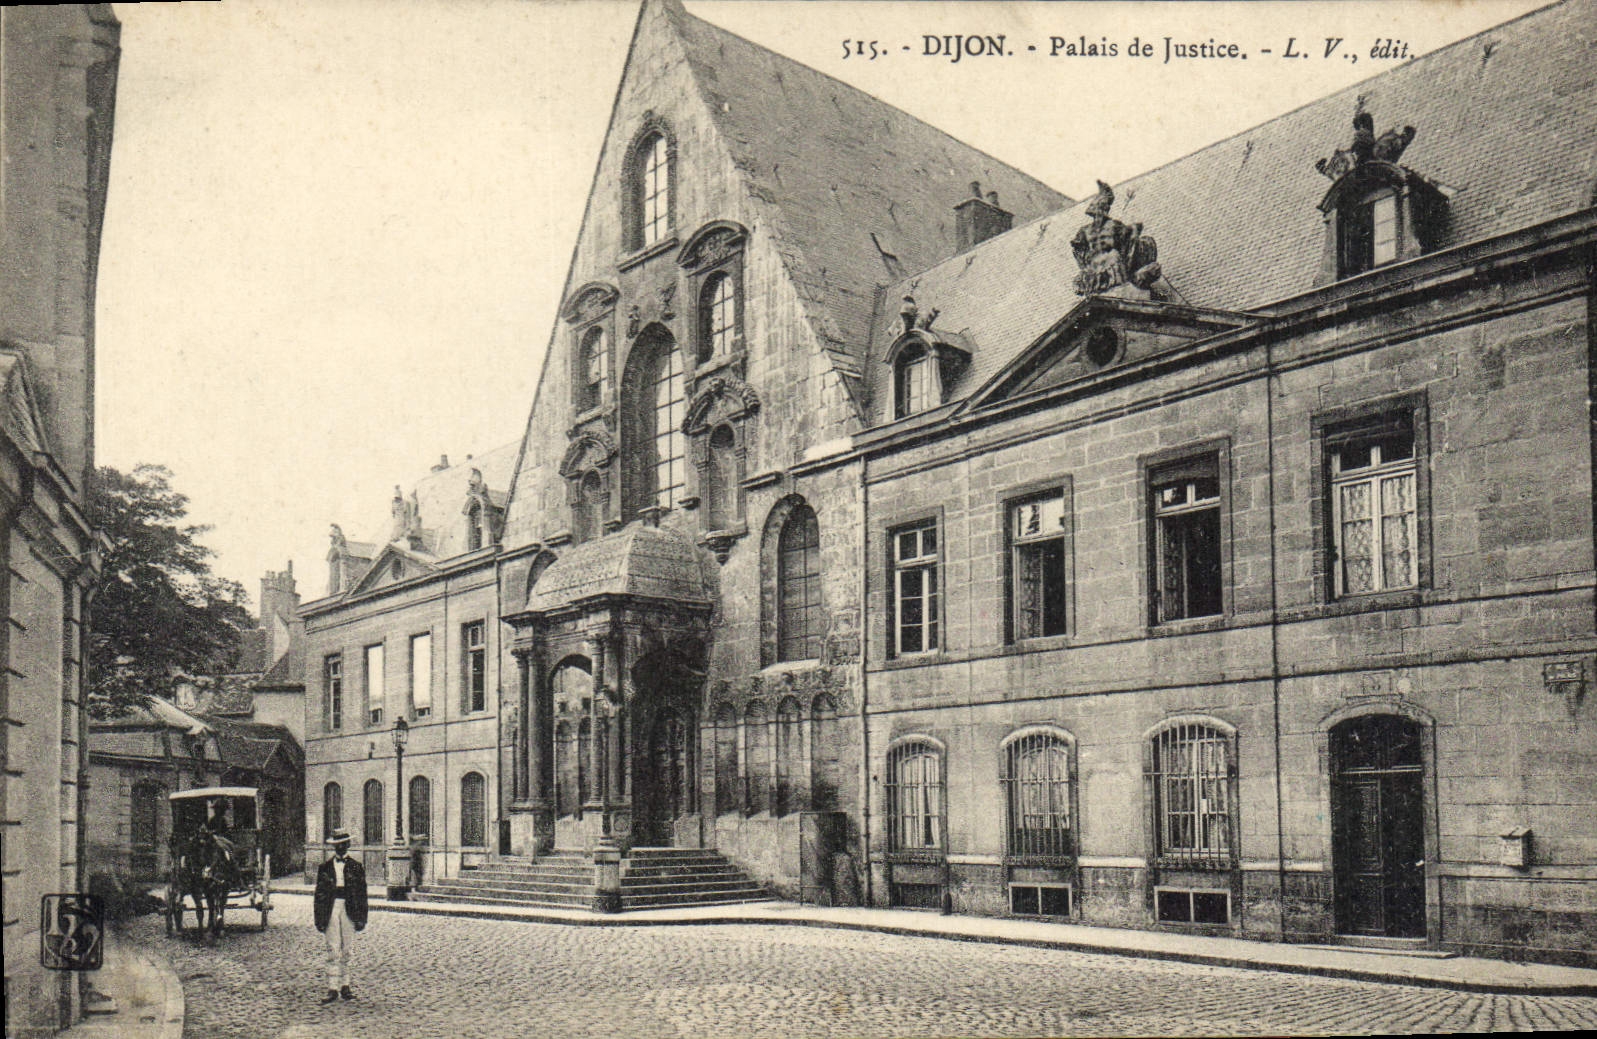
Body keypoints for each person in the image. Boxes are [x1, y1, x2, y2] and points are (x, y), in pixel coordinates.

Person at [312, 829, 368, 1004]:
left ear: (349, 845)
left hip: (349, 907)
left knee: (347, 949)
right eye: (337, 845)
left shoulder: (356, 867)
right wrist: (319, 919)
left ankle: (346, 986)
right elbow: (319, 895)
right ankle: (332, 988)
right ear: (333, 847)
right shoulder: (325, 868)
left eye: (344, 844)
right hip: (331, 907)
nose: (341, 848)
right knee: (333, 948)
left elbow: (362, 894)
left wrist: (362, 918)